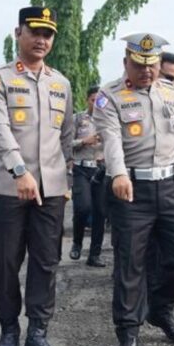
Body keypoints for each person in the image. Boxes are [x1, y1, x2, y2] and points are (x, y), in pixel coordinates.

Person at [93, 32, 174, 346]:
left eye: (153, 64)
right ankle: (128, 333)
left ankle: (160, 308)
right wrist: (118, 174)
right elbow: (112, 140)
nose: (147, 71)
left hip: (173, 184)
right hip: (132, 189)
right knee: (130, 263)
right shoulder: (109, 96)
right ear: (125, 64)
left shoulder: (171, 93)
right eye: (139, 64)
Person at [0, 6, 73, 346]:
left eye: (48, 34)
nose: (41, 40)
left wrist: (62, 180)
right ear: (17, 33)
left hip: (50, 192)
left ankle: (37, 334)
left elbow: (65, 137)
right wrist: (20, 171)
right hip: (7, 188)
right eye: (34, 31)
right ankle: (8, 331)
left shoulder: (60, 83)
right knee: (6, 262)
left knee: (46, 263)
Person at [70, 87, 107, 266]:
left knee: (100, 212)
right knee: (83, 207)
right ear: (87, 100)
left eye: (100, 100)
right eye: (93, 100)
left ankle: (94, 254)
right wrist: (84, 141)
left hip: (100, 170)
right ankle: (77, 243)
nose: (96, 103)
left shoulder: (109, 120)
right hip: (81, 169)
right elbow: (66, 143)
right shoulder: (78, 119)